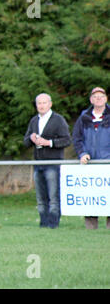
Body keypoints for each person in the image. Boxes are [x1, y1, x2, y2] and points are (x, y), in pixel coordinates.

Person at [23, 93, 71, 229]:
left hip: (53, 163)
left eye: (44, 103)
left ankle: (53, 224)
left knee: (53, 196)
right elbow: (25, 142)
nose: (41, 106)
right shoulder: (34, 121)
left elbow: (67, 140)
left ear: (50, 104)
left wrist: (48, 142)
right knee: (40, 197)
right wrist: (31, 138)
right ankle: (43, 223)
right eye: (39, 103)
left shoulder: (58, 120)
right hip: (38, 163)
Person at [72, 86, 110, 229]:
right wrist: (82, 153)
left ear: (106, 99)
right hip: (90, 165)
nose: (98, 99)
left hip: (108, 163)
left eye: (101, 96)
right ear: (91, 99)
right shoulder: (84, 117)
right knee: (91, 196)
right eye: (95, 96)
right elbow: (77, 138)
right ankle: (90, 228)